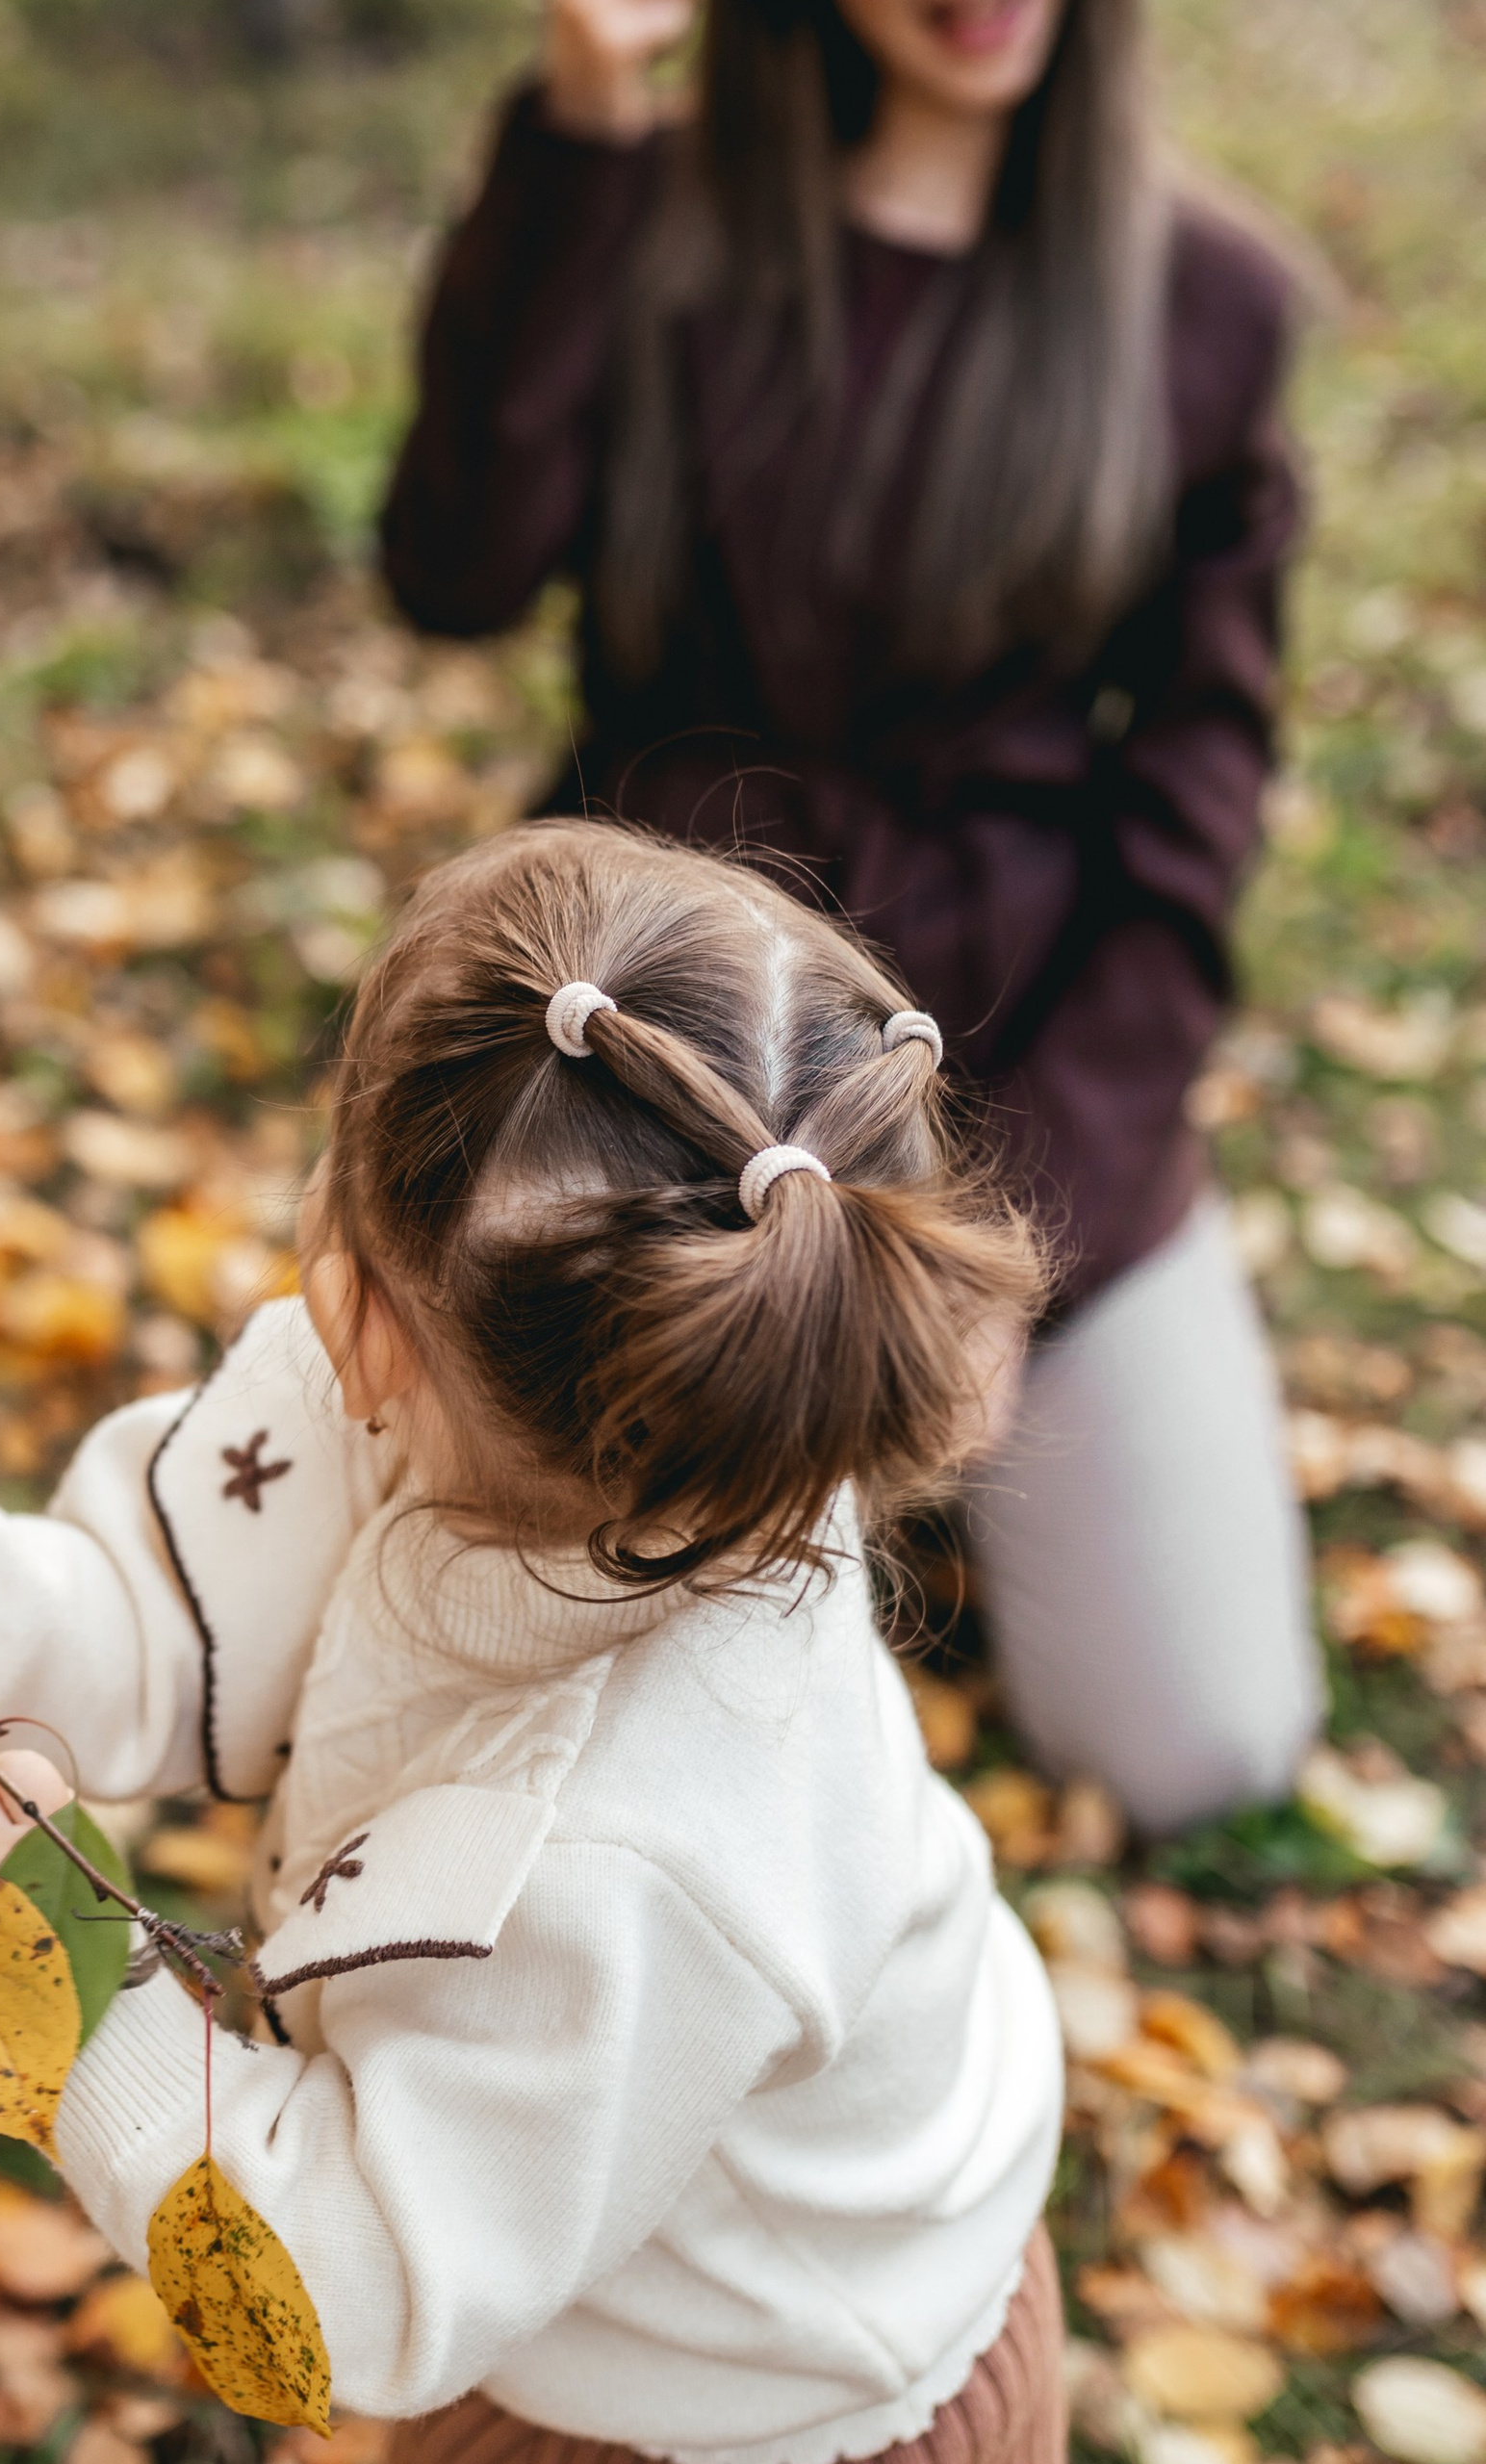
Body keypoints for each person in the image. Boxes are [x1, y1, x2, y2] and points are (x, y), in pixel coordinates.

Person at [0, 822, 1069, 2462]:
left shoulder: (625, 1860)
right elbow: (163, 1620)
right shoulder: (602, 1411)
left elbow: (369, 2282)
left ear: (356, 1297)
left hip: (757, 2391)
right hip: (566, 2262)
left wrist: (94, 2017)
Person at [377, 0, 1321, 1835]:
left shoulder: (1204, 307)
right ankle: (838, 1468)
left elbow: (1189, 826)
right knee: (508, 1715)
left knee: (1200, 1745)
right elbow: (454, 566)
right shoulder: (649, 220)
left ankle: (913, 1469)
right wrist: (581, 110)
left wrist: (1014, 1252)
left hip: (1026, 1084)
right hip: (653, 1061)